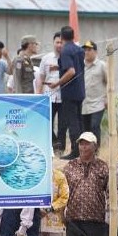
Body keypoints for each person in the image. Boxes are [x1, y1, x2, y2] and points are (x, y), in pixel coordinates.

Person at [62, 132, 110, 236]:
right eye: (81, 143)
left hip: (97, 219)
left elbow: (110, 192)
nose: (83, 147)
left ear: (95, 146)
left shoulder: (103, 166)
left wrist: (109, 214)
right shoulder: (69, 166)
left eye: (87, 143)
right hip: (74, 218)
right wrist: (63, 213)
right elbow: (63, 191)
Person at [53, 26, 85, 160]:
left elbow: (71, 71)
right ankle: (83, 150)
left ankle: (75, 151)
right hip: (80, 89)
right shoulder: (79, 49)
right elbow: (77, 67)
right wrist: (59, 67)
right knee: (79, 121)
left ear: (61, 37)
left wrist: (57, 83)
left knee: (73, 123)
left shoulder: (65, 50)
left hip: (69, 91)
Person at [36, 32, 63, 150]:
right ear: (53, 43)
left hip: (63, 96)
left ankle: (61, 148)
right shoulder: (46, 58)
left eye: (61, 42)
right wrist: (38, 94)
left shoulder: (68, 58)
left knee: (62, 125)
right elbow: (41, 77)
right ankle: (54, 144)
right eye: (57, 42)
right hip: (48, 96)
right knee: (47, 122)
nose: (59, 45)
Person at [80, 40, 107, 148]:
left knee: (95, 126)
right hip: (84, 103)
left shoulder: (102, 65)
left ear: (95, 52)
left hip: (98, 102)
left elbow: (109, 82)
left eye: (89, 50)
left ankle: (96, 150)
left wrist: (107, 98)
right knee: (85, 130)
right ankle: (87, 151)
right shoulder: (80, 65)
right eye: (85, 50)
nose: (86, 52)